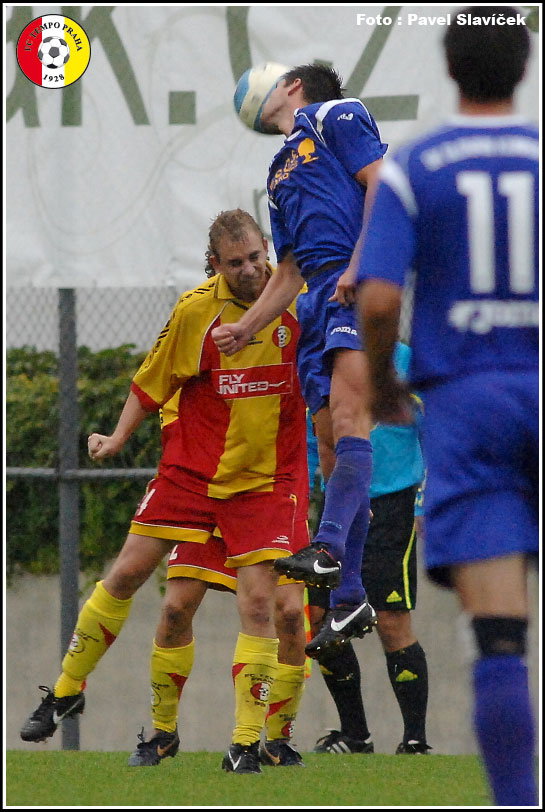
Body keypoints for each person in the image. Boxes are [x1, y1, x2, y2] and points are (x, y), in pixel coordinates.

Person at [20, 209, 309, 776]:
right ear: (215, 264)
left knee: (273, 608)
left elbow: (334, 375)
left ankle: (252, 743)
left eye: (256, 257)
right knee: (141, 584)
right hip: (193, 475)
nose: (250, 270)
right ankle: (70, 692)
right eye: (236, 262)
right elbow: (152, 381)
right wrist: (116, 437)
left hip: (264, 483)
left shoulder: (301, 303)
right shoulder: (195, 311)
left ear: (267, 248)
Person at [357, 8, 537, 805]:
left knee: (498, 640)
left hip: (467, 406)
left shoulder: (414, 166)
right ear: (523, 66)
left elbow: (377, 299)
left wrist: (383, 384)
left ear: (449, 63)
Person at [213, 64, 388, 656]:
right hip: (316, 298)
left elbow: (381, 183)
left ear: (292, 86)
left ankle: (329, 548)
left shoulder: (335, 114)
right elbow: (287, 268)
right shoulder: (278, 169)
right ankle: (350, 597)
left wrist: (361, 264)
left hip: (355, 282)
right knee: (331, 448)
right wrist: (246, 327)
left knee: (350, 418)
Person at [126, 388, 308, 771]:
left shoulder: (287, 356)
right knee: (175, 609)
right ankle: (163, 732)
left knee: (290, 614)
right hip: (207, 490)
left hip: (270, 491)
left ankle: (273, 739)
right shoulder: (191, 363)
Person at [309, 342, 431, 755]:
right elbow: (314, 433)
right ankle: (355, 735)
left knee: (391, 620)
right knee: (321, 620)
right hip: (338, 508)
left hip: (393, 503)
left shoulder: (405, 359)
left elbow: (436, 430)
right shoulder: (324, 358)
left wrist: (423, 502)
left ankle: (415, 740)